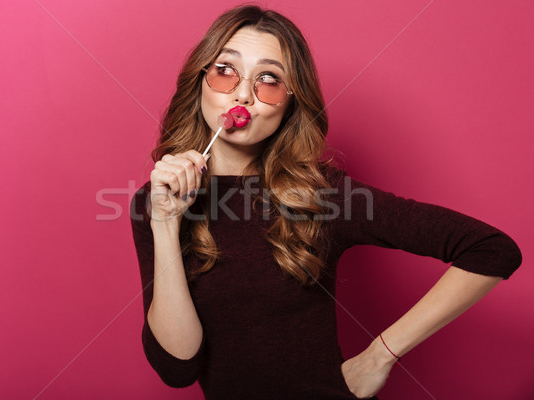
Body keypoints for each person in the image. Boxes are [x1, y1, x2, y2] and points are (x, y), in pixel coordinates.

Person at [129, 5, 522, 399]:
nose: (243, 95)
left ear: (289, 103)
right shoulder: (156, 201)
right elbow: (178, 369)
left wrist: (379, 355)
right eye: (226, 71)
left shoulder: (322, 195)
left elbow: (491, 250)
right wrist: (165, 223)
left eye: (268, 79)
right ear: (201, 80)